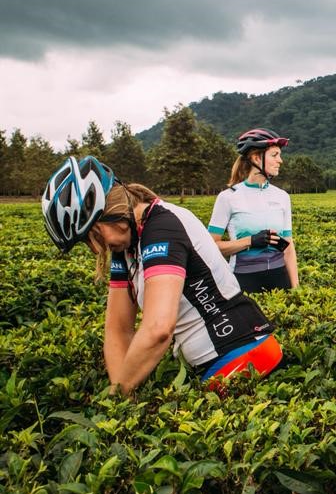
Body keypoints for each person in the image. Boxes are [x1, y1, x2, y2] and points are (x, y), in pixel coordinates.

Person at [41, 156, 284, 393]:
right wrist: (120, 391)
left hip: (240, 352)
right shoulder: (126, 243)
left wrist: (117, 398)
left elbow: (158, 329)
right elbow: (118, 328)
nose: (96, 249)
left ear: (110, 210)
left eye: (93, 234)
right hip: (213, 360)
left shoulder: (161, 228)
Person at [208, 128, 298, 293]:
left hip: (280, 280)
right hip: (243, 280)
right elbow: (211, 246)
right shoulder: (228, 197)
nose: (280, 161)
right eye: (274, 155)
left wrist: (297, 289)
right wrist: (250, 241)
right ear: (257, 158)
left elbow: (288, 247)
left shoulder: (282, 196)